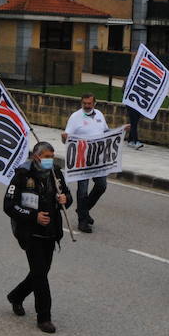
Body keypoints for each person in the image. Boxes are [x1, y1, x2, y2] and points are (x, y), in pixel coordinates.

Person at [4, 141, 73, 334]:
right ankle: (44, 317)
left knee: (40, 272)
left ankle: (16, 296)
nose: (50, 161)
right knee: (41, 275)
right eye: (46, 157)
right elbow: (9, 205)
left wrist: (65, 200)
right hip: (30, 233)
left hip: (50, 233)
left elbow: (67, 196)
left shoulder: (56, 174)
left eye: (52, 157)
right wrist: (33, 216)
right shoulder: (22, 175)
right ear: (36, 157)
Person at [61, 93, 109, 232]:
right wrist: (64, 137)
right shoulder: (75, 117)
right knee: (82, 190)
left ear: (95, 103)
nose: (87, 106)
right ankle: (82, 221)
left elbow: (106, 132)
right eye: (84, 104)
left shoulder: (99, 114)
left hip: (97, 159)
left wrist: (121, 131)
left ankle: (83, 210)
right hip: (81, 160)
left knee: (101, 186)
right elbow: (67, 140)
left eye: (89, 103)